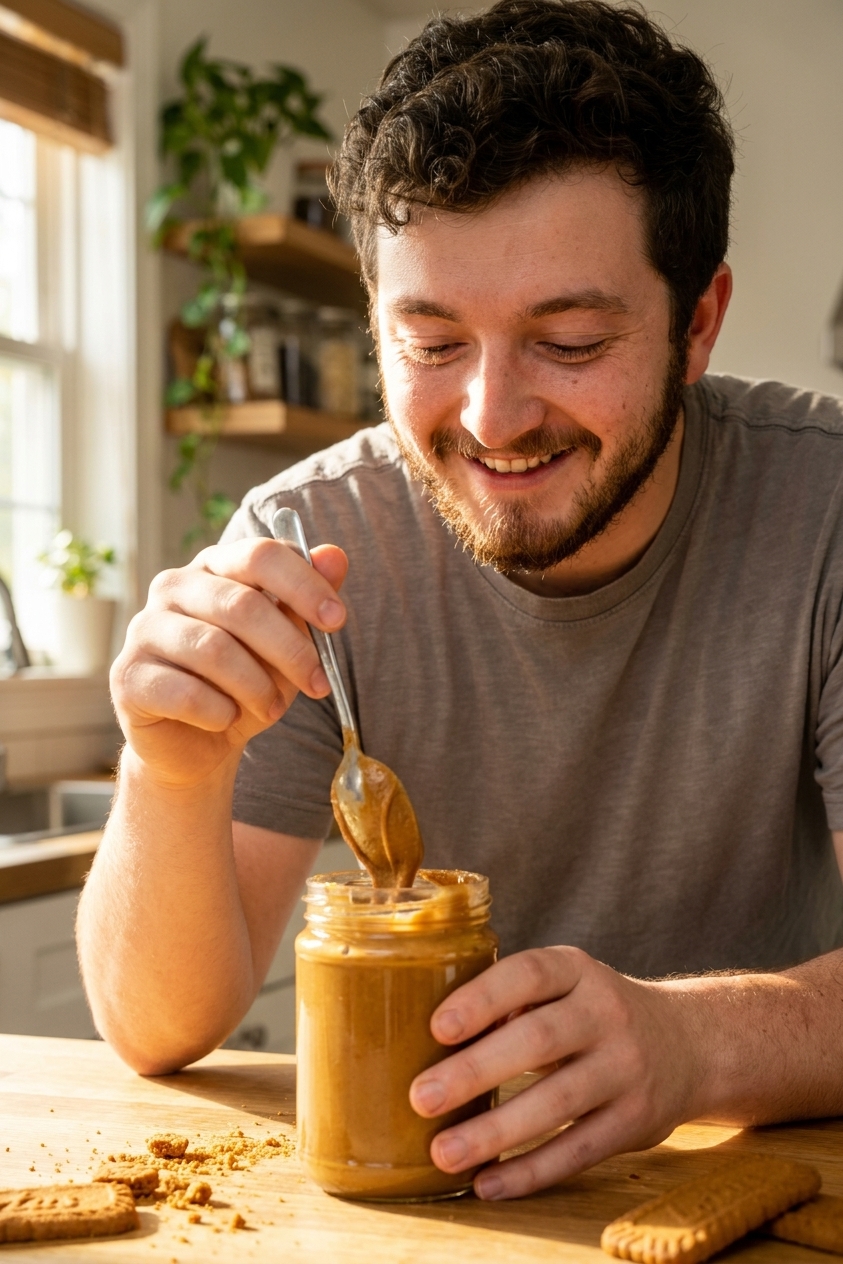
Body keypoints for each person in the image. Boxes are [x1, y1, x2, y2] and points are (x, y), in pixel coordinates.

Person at [78, 0, 843, 1201]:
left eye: (572, 341)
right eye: (431, 343)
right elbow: (155, 1031)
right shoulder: (305, 541)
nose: (491, 419)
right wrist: (167, 773)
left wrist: (695, 1044)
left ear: (698, 324)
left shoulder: (828, 511)